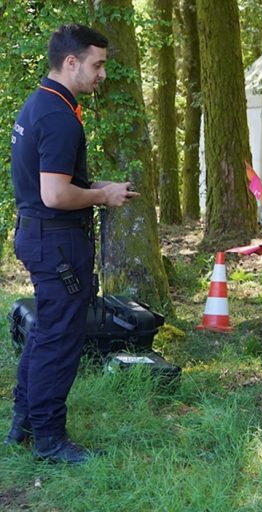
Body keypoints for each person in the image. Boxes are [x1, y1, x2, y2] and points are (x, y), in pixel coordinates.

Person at [6, 24, 138, 464]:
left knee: (46, 333)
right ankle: (50, 440)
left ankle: (23, 424)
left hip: (40, 233)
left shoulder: (41, 103)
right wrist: (101, 196)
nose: (102, 73)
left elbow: (54, 183)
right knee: (60, 339)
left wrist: (97, 186)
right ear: (71, 62)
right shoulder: (59, 117)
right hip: (57, 242)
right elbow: (55, 196)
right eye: (97, 64)